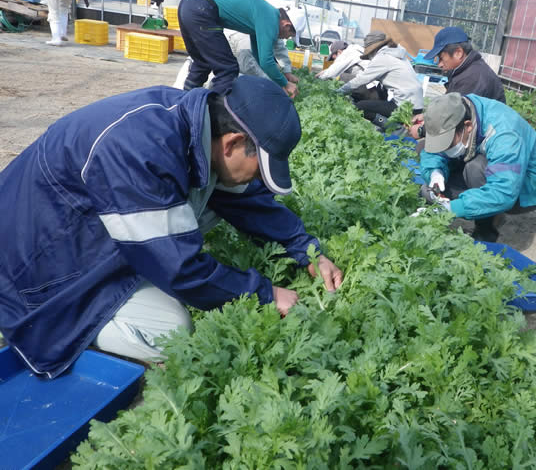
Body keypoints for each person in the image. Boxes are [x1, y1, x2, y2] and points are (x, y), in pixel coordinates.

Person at [0, 76, 343, 379]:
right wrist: (265, 295)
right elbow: (181, 270)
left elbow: (244, 199)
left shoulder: (189, 122)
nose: (256, 179)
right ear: (233, 143)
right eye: (258, 168)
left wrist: (308, 250)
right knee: (171, 330)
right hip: (30, 272)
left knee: (217, 192)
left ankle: (142, 260)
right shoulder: (139, 152)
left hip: (76, 228)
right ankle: (74, 328)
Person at [418, 93, 536, 242]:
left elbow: (504, 192)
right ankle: (480, 209)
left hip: (528, 187)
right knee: (428, 188)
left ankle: (486, 230)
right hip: (491, 168)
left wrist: (450, 209)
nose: (445, 148)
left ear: (467, 126)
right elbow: (432, 152)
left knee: (474, 169)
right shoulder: (457, 108)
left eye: (448, 143)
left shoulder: (505, 135)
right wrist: (435, 173)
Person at [177, 0, 298, 97]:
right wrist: (285, 84)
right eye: (288, 36)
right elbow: (266, 61)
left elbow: (259, 57)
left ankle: (184, 102)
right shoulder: (271, 19)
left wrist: (283, 77)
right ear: (286, 25)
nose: (284, 39)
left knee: (202, 63)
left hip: (189, 4)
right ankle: (213, 111)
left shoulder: (265, 15)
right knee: (228, 69)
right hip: (202, 10)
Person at [409, 27, 505, 139]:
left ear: (458, 53)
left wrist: (422, 131)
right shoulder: (465, 70)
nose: (439, 64)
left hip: (488, 138)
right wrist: (427, 117)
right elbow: (449, 105)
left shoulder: (473, 77)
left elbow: (454, 117)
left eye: (441, 58)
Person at [336, 31, 423, 130]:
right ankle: (390, 125)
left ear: (374, 49)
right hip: (416, 105)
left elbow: (360, 80)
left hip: (405, 107)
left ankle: (394, 128)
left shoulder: (382, 57)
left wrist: (338, 92)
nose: (370, 58)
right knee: (379, 102)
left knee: (360, 107)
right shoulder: (397, 54)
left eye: (369, 54)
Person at [172, 30, 300, 90]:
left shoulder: (271, 29)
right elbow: (247, 66)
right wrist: (274, 83)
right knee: (181, 106)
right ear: (286, 25)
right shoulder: (246, 36)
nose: (287, 38)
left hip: (219, 72)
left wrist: (287, 72)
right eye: (289, 34)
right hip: (200, 71)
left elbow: (279, 48)